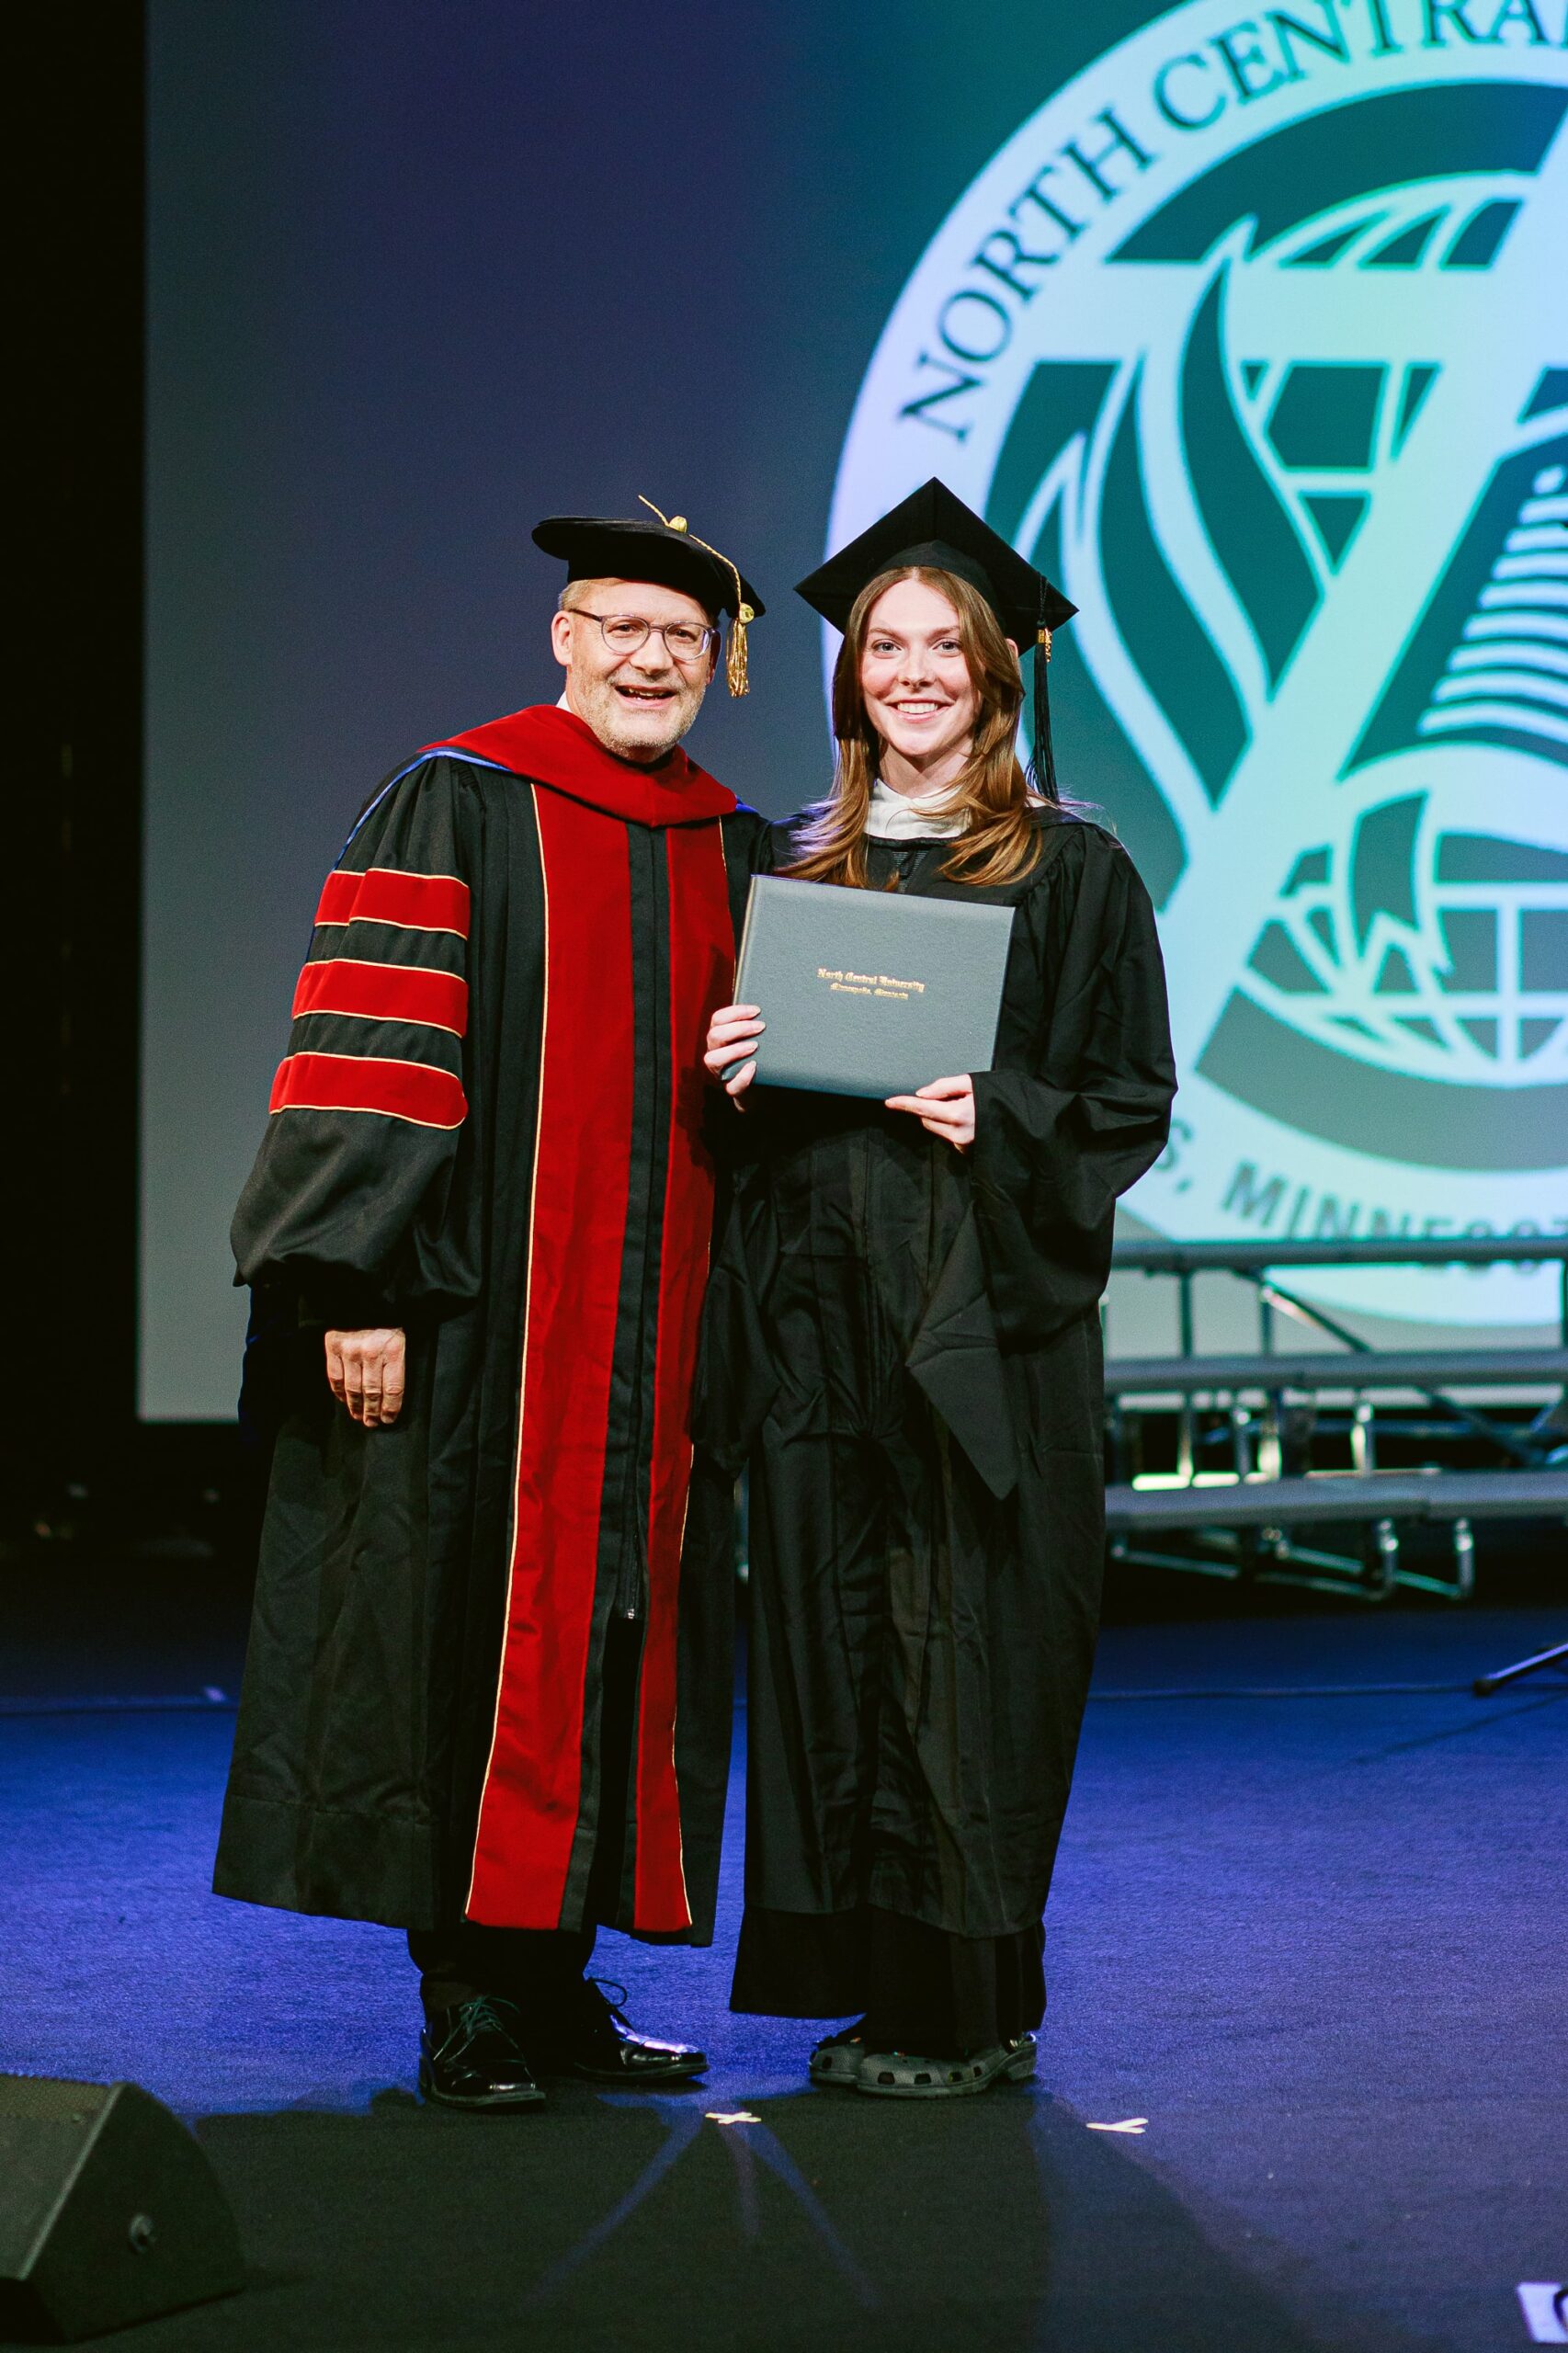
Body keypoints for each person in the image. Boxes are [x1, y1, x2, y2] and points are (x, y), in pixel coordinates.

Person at [215, 502, 767, 2110]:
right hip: (481, 1331)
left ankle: (556, 1981)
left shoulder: (732, 842)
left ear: (712, 666)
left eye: (682, 638)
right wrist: (355, 1282)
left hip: (656, 1346)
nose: (652, 658)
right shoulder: (456, 800)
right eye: (623, 627)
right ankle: (463, 1993)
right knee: (463, 1638)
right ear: (563, 638)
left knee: (617, 1648)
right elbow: (373, 1052)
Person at [700, 479, 1176, 2097]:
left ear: (995, 672)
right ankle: (869, 1979)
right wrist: (733, 1075)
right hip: (819, 1328)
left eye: (941, 648)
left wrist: (1005, 1114)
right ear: (849, 679)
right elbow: (730, 1126)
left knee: (966, 1646)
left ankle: (968, 2004)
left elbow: (1128, 1102)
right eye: (882, 647)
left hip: (982, 1325)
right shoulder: (792, 862)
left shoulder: (1071, 869)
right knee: (836, 1647)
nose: (909, 672)